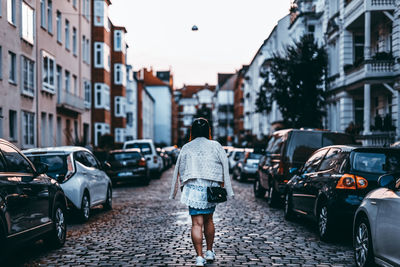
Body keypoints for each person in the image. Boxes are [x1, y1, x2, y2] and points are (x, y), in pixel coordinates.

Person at [169, 118, 234, 267]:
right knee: (209, 220)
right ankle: (210, 251)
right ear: (208, 130)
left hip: (193, 189)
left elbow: (179, 168)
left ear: (193, 130)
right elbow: (225, 166)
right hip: (210, 189)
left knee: (196, 224)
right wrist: (225, 186)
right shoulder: (215, 145)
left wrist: (178, 187)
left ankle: (199, 257)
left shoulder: (187, 147)